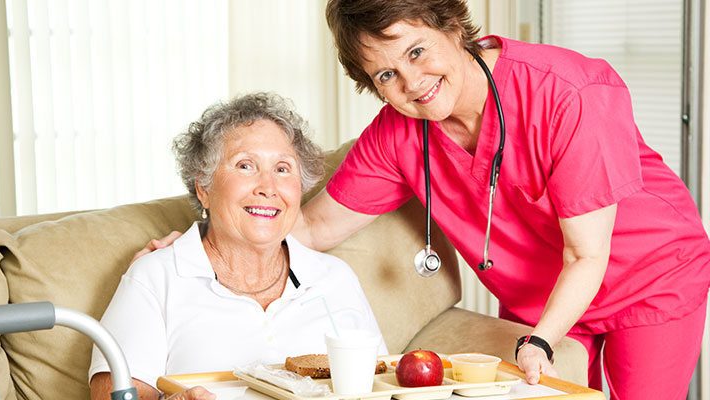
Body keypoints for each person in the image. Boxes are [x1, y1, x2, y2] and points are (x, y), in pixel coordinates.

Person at [135, 2, 710, 399]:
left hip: (649, 277)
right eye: (384, 74)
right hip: (539, 292)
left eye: (415, 51)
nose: (410, 83)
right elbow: (307, 228)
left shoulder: (570, 93)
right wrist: (202, 242)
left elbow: (587, 255)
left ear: (452, 25)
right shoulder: (397, 134)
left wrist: (538, 338)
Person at [90, 92, 387, 400]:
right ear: (203, 188)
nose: (268, 187)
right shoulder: (155, 277)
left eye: (282, 169)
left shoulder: (336, 278)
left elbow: (384, 385)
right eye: (246, 166)